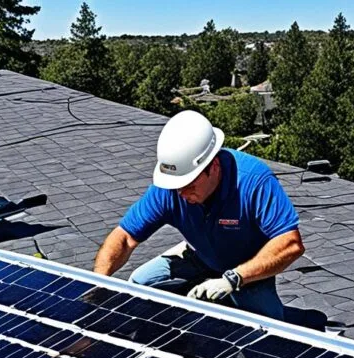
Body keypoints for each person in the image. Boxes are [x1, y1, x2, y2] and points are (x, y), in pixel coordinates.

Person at [93, 110, 304, 321]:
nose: (182, 194)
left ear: (213, 166)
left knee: (266, 325)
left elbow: (290, 243)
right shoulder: (170, 187)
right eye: (177, 187)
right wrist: (96, 286)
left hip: (246, 267)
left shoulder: (253, 182)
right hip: (201, 254)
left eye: (189, 185)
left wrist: (234, 278)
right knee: (141, 285)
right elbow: (124, 237)